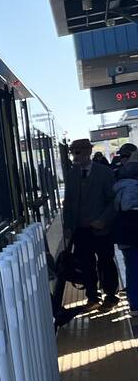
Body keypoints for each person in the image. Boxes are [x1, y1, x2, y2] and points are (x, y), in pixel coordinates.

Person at [59, 138, 119, 314]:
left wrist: (103, 220)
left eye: (77, 152)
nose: (74, 156)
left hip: (101, 229)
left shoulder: (105, 174)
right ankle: (93, 296)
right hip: (81, 230)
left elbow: (113, 201)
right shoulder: (71, 175)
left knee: (106, 261)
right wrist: (68, 227)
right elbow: (68, 203)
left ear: (88, 152)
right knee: (86, 263)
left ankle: (111, 296)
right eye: (72, 152)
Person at [115, 159, 138, 321]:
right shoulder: (135, 187)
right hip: (135, 232)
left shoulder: (115, 189)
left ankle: (135, 303)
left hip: (124, 235)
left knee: (131, 268)